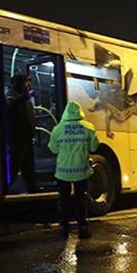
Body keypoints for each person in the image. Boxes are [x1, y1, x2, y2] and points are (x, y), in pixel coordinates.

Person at [47, 101, 99, 238]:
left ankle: (64, 226)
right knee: (80, 199)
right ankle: (82, 226)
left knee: (64, 199)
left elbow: (53, 149)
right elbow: (94, 147)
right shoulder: (89, 128)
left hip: (63, 172)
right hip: (81, 170)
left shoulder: (58, 129)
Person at [6, 74, 37, 193]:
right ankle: (8, 187)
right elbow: (11, 103)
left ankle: (32, 187)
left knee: (28, 165)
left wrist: (33, 134)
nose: (28, 84)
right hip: (17, 137)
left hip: (27, 137)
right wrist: (27, 96)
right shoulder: (12, 96)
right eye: (26, 82)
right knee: (15, 163)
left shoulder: (25, 98)